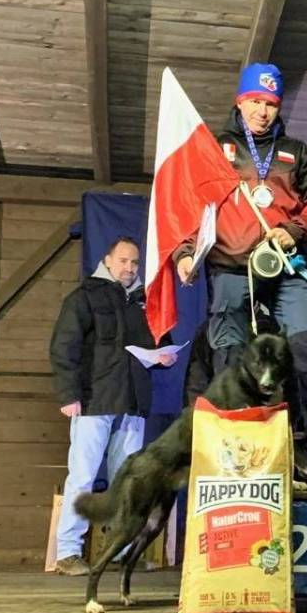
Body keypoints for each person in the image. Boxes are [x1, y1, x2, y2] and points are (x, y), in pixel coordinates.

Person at [173, 62, 307, 485]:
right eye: (255, 101)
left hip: (285, 268)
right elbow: (186, 203)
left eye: (270, 104)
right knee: (229, 361)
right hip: (231, 269)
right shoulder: (214, 149)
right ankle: (234, 457)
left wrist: (295, 230)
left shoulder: (297, 152)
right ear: (240, 101)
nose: (262, 111)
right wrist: (184, 253)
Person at [50, 237, 177, 576]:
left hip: (132, 403)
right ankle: (68, 553)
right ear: (107, 260)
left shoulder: (144, 301)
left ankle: (118, 552)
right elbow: (64, 347)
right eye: (123, 261)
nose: (129, 268)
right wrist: (68, 395)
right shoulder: (84, 297)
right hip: (94, 400)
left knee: (127, 481)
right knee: (82, 476)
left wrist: (163, 354)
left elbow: (158, 341)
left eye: (134, 262)